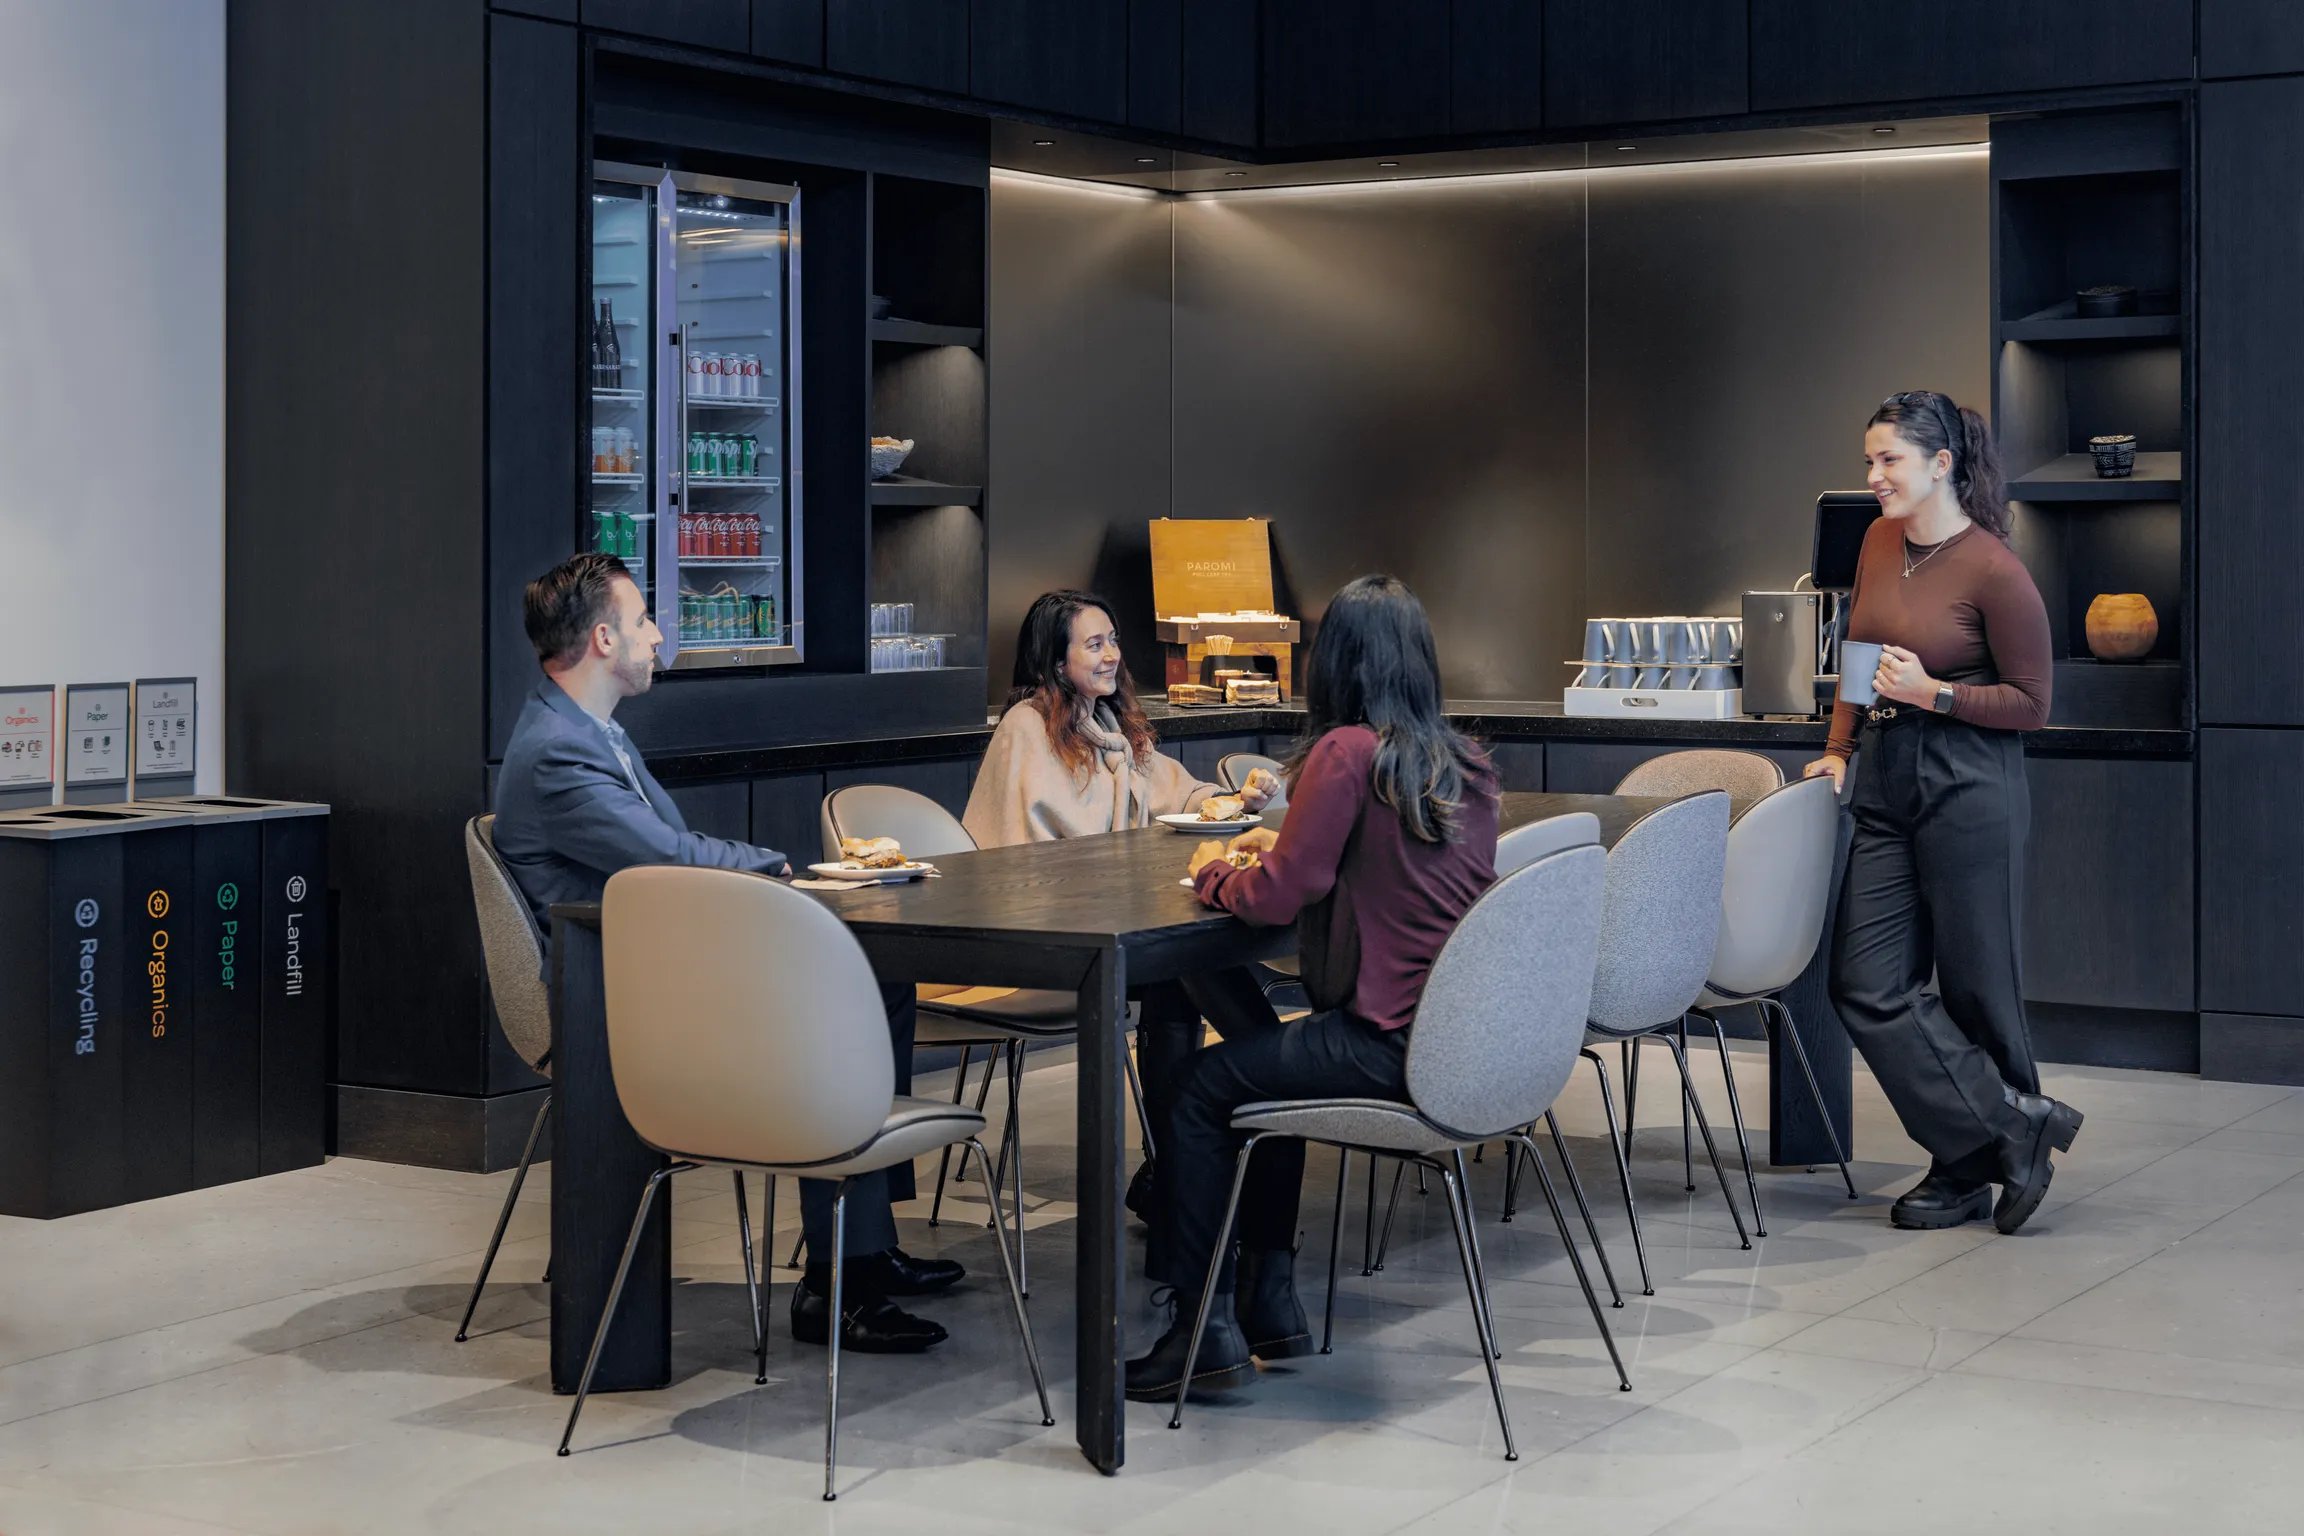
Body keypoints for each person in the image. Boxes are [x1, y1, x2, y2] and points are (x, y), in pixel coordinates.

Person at [493, 553, 962, 1352]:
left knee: (880, 981)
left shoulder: (586, 731)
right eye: (644, 620)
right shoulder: (560, 752)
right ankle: (838, 1285)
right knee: (839, 997)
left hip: (648, 968)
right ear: (603, 639)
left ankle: (863, 1246)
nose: (657, 635)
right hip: (612, 995)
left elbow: (663, 853)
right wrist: (773, 864)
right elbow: (667, 854)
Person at [1126, 574, 1500, 1402]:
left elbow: (1275, 899)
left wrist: (1214, 870)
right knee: (1263, 1063)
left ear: (1337, 663)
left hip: (1384, 1039)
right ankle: (1269, 1302)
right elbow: (1377, 863)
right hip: (1456, 1037)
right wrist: (1286, 851)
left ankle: (1200, 1332)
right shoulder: (1463, 761)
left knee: (1200, 1090)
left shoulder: (1345, 752)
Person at [1803, 391, 2083, 1236]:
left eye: (1888, 459)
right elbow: (1859, 651)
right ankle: (2012, 1128)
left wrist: (1938, 693)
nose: (1874, 475)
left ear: (1941, 464)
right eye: (1869, 460)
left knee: (1975, 985)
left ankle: (1964, 1168)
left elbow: (2033, 705)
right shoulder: (1878, 541)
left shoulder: (1995, 570)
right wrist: (1839, 749)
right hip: (1887, 774)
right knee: (1864, 981)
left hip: (1970, 778)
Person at [961, 591, 1284, 1285]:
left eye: (1112, 639)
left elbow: (1176, 791)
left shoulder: (1110, 724)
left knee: (1177, 975)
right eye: (1093, 644)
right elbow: (1028, 858)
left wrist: (1231, 800)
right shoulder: (1026, 729)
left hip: (1119, 924)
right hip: (1044, 936)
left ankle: (1176, 1178)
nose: (1111, 655)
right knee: (1181, 976)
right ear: (1055, 660)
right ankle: (1185, 1174)